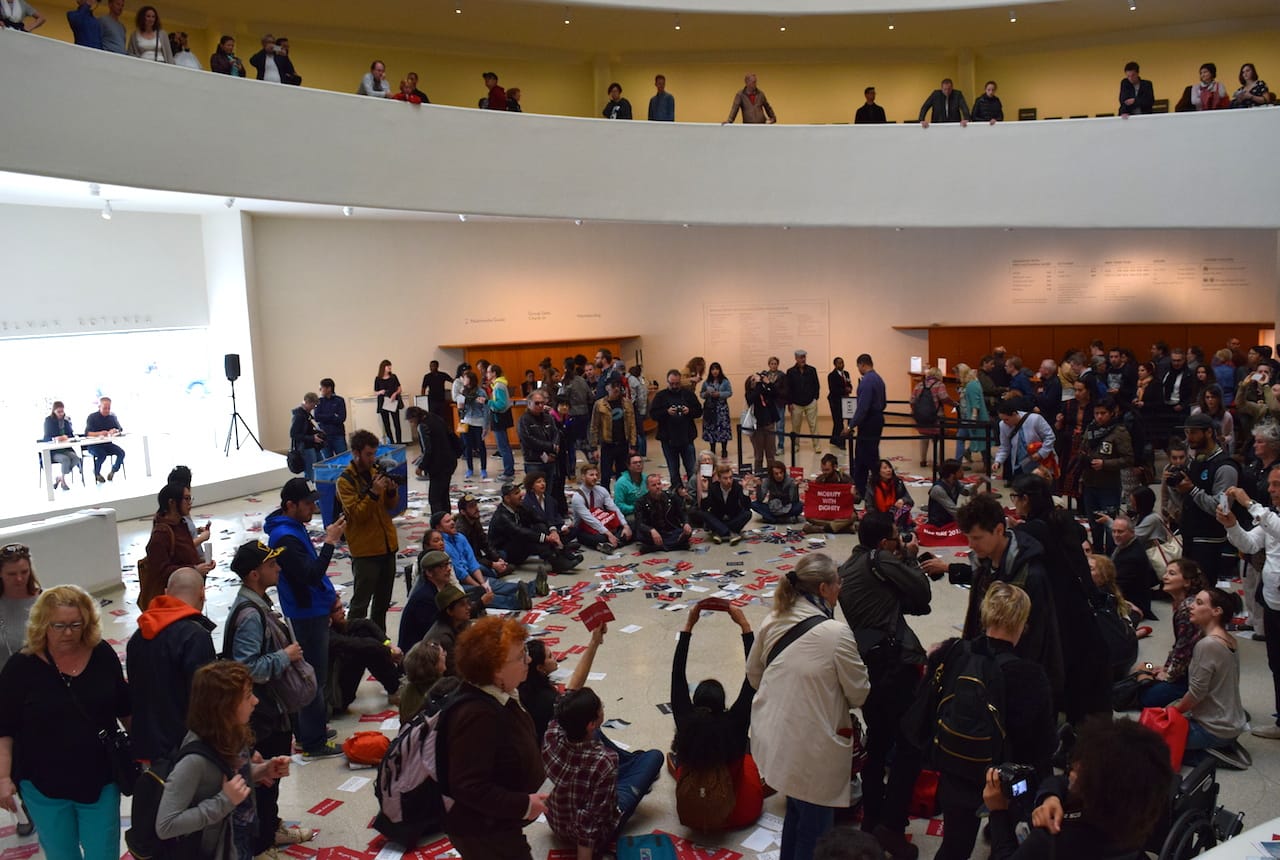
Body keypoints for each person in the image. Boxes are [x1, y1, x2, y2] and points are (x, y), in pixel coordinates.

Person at [746, 554, 869, 860]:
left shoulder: (772, 619)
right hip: (813, 750)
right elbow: (859, 694)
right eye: (838, 582)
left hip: (773, 740)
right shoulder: (836, 634)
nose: (842, 586)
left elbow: (753, 676)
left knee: (797, 813)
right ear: (825, 588)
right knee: (816, 829)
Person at [0, 586, 130, 860]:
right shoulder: (20, 667)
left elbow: (124, 708)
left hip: (100, 779)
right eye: (58, 625)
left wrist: (144, 752)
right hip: (43, 785)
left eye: (75, 625)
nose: (68, 633)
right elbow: (5, 729)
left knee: (102, 852)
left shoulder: (102, 654)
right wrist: (2, 777)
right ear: (42, 624)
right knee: (61, 854)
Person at [837, 513, 933, 852]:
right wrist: (908, 556)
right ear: (882, 543)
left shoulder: (846, 570)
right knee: (910, 744)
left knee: (878, 743)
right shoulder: (880, 560)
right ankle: (891, 824)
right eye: (895, 538)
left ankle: (872, 819)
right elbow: (922, 592)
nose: (898, 542)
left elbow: (910, 605)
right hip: (898, 666)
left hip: (869, 667)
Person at [222, 540, 324, 854]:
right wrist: (285, 655)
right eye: (271, 565)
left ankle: (271, 827)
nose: (278, 568)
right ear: (254, 574)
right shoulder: (251, 614)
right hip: (261, 715)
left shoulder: (257, 604)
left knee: (272, 779)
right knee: (265, 782)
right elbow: (246, 668)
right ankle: (263, 843)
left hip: (271, 710)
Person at [155, 661, 291, 859]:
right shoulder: (193, 761)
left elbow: (228, 778)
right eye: (247, 696)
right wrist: (225, 801)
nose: (255, 701)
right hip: (216, 848)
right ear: (224, 706)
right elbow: (166, 825)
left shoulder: (232, 733)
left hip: (239, 836)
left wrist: (263, 770)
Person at [984, 717, 1173, 860]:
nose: (1072, 770)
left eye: (1079, 771)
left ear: (1094, 791)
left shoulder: (1051, 841)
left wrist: (997, 811)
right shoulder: (1139, 814)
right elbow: (1059, 782)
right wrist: (1051, 797)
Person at [439, 617, 546, 858]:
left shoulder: (501, 694)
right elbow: (469, 786)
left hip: (500, 821)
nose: (528, 659)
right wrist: (524, 805)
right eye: (520, 656)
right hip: (483, 832)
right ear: (496, 669)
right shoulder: (477, 716)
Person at [951, 493, 1064, 701]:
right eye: (967, 537)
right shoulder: (983, 565)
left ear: (999, 530)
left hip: (1016, 678)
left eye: (976, 538)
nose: (970, 545)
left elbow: (1037, 638)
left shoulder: (1031, 575)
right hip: (986, 669)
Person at [265, 477, 346, 756]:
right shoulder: (285, 537)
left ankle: (311, 730)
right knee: (313, 678)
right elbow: (310, 575)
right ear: (290, 505)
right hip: (305, 614)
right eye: (308, 503)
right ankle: (313, 741)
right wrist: (330, 543)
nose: (313, 507)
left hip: (312, 609)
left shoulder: (292, 528)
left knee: (312, 675)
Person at [670, 602, 763, 830]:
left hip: (693, 803)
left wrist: (689, 626)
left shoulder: (686, 722)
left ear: (694, 703)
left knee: (681, 752)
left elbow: (677, 675)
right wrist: (744, 626)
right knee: (750, 750)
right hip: (739, 811)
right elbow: (752, 678)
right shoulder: (735, 722)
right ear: (723, 705)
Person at [543, 686, 664, 856]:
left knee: (599, 737)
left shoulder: (552, 732)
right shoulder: (604, 761)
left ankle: (631, 764)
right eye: (601, 708)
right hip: (590, 835)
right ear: (591, 723)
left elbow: (563, 702)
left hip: (557, 822)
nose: (602, 710)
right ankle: (632, 765)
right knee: (654, 756)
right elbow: (589, 825)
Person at [126, 568, 216, 762]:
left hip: (148, 747)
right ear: (202, 593)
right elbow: (206, 701)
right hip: (186, 750)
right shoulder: (195, 637)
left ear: (166, 592)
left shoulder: (138, 636)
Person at [1221, 480, 1280, 739]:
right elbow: (1250, 545)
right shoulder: (1270, 516)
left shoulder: (1268, 517)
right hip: (1272, 599)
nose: (1271, 489)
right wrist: (1232, 524)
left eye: (1277, 485)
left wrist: (1248, 503)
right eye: (1271, 485)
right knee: (1276, 663)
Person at [1170, 587, 1250, 767]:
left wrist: (1172, 712)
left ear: (1216, 611)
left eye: (1199, 603)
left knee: (1152, 743)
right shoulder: (1229, 639)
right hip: (1230, 722)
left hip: (1215, 728)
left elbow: (1197, 692)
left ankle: (1211, 755)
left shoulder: (1207, 645)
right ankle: (1222, 745)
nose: (1191, 606)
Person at [336, 430, 400, 631]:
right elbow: (357, 515)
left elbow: (389, 507)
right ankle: (354, 648)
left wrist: (390, 491)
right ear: (356, 453)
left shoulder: (375, 472)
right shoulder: (345, 481)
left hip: (387, 547)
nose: (373, 459)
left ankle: (380, 645)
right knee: (359, 606)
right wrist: (373, 492)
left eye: (375, 454)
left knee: (382, 605)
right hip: (365, 552)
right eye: (368, 454)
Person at [1173, 412, 1241, 583]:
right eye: (1187, 433)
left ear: (1209, 432)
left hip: (1208, 540)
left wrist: (1192, 490)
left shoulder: (1225, 467)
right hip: (1190, 535)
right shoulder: (1197, 460)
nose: (1189, 438)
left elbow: (1222, 508)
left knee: (1204, 591)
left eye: (1194, 432)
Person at [520, 622, 606, 744]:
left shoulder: (523, 686)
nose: (554, 656)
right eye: (549, 656)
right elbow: (572, 690)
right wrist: (594, 643)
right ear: (539, 668)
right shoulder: (547, 699)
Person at [436, 511, 529, 611]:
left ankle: (533, 588)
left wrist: (482, 583)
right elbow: (460, 573)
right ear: (439, 527)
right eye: (447, 521)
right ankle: (518, 602)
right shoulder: (444, 546)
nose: (452, 522)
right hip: (456, 582)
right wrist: (479, 587)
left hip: (471, 573)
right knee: (481, 594)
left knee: (494, 584)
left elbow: (472, 563)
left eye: (452, 520)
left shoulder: (460, 537)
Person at [142, 482, 215, 609]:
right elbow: (161, 571)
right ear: (172, 503)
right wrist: (194, 569)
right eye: (186, 499)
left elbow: (186, 553)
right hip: (174, 602)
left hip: (190, 594)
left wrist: (202, 563)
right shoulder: (161, 534)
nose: (190, 503)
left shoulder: (181, 524)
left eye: (190, 498)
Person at [488, 482, 581, 572]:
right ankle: (557, 561)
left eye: (519, 491)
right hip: (504, 553)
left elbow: (540, 518)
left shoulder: (519, 506)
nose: (521, 495)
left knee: (540, 526)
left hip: (517, 544)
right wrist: (546, 538)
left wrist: (553, 531)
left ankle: (561, 551)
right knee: (528, 539)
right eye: (516, 493)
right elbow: (520, 532)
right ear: (507, 498)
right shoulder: (502, 516)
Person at [1079, 396, 1133, 550]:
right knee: (1094, 525)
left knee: (1110, 527)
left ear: (1112, 413)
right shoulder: (1091, 429)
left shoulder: (1119, 432)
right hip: (1090, 482)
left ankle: (1111, 557)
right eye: (1096, 413)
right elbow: (1083, 448)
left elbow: (1128, 459)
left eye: (1103, 413)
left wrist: (1105, 464)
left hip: (1108, 485)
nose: (1099, 417)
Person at [650, 369, 702, 491]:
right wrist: (666, 412)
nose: (674, 386)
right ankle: (677, 494)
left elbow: (699, 411)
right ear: (667, 382)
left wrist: (689, 411)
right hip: (668, 439)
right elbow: (653, 414)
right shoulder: (660, 396)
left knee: (691, 468)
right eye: (671, 383)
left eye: (677, 384)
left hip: (687, 438)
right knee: (673, 469)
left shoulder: (688, 394)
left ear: (680, 382)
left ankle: (693, 492)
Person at [844, 354, 887, 492]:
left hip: (869, 421)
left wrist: (851, 426)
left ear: (862, 365)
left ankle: (875, 487)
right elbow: (884, 402)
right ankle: (861, 487)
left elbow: (863, 407)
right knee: (863, 456)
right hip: (877, 419)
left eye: (858, 366)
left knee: (868, 456)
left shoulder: (867, 381)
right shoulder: (879, 379)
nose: (858, 369)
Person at [406, 406, 459, 515]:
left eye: (411, 421)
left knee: (434, 498)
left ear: (415, 417)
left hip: (438, 465)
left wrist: (421, 466)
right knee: (444, 495)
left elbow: (428, 450)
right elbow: (447, 436)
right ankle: (447, 520)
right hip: (450, 460)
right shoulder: (434, 417)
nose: (411, 424)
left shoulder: (422, 426)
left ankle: (439, 524)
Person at [569, 463, 633, 552]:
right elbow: (589, 519)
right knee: (599, 538)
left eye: (596, 475)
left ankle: (611, 544)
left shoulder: (601, 490)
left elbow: (614, 508)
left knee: (630, 524)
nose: (595, 477)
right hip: (585, 527)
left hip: (604, 521)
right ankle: (616, 542)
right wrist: (608, 534)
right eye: (591, 475)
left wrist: (625, 525)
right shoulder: (577, 497)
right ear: (583, 477)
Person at [992, 400, 1056, 482]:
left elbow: (1050, 437)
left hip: (1041, 460)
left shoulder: (1035, 419)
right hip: (1021, 463)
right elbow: (1005, 446)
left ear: (1014, 414)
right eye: (1002, 420)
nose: (1004, 422)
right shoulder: (1003, 425)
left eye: (1006, 419)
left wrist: (1041, 453)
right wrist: (998, 461)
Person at [590, 373, 636, 488]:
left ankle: (621, 499)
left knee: (623, 475)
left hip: (623, 443)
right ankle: (605, 501)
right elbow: (594, 426)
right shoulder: (599, 404)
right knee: (605, 476)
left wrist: (633, 445)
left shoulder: (626, 403)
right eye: (613, 386)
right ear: (607, 388)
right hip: (607, 444)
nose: (616, 389)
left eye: (618, 386)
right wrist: (594, 447)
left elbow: (632, 425)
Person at [454, 493, 512, 579]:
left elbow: (485, 544)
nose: (476, 508)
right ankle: (495, 572)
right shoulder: (461, 530)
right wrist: (492, 564)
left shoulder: (475, 520)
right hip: (469, 562)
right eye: (471, 507)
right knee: (485, 570)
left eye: (475, 505)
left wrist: (497, 559)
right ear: (463, 512)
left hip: (478, 557)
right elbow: (470, 557)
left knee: (502, 554)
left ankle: (498, 569)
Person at [635, 473, 692, 552]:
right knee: (641, 536)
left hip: (671, 531)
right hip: (653, 532)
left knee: (687, 532)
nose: (657, 487)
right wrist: (651, 530)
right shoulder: (641, 502)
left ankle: (659, 547)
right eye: (653, 485)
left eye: (659, 484)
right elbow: (639, 522)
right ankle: (676, 545)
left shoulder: (671, 497)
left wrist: (686, 523)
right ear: (648, 487)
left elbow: (682, 513)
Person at [911, 366, 954, 469]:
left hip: (922, 418)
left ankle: (923, 460)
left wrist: (916, 412)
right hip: (936, 417)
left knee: (924, 437)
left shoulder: (919, 385)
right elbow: (943, 397)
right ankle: (938, 462)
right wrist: (953, 403)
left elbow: (912, 400)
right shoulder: (939, 385)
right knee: (938, 439)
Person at [699, 463, 752, 544]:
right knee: (702, 513)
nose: (729, 481)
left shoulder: (737, 486)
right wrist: (705, 491)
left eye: (731, 478)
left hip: (733, 518)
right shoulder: (713, 487)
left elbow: (747, 507)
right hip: (718, 518)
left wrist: (745, 489)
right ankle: (730, 533)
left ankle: (720, 532)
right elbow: (704, 508)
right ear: (719, 479)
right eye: (725, 478)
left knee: (748, 513)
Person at [804, 454, 857, 534]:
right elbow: (816, 500)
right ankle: (843, 528)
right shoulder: (820, 479)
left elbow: (858, 499)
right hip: (826, 511)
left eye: (827, 470)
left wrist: (853, 495)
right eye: (823, 470)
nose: (824, 472)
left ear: (835, 467)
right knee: (808, 515)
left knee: (852, 516)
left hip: (841, 511)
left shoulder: (846, 479)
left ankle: (821, 529)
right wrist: (808, 491)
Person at [745, 366, 784, 473]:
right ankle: (758, 475)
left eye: (756, 379)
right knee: (759, 455)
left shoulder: (765, 390)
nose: (756, 381)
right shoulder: (750, 394)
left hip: (769, 424)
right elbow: (754, 397)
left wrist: (768, 383)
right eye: (753, 380)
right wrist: (758, 383)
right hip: (757, 427)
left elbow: (776, 394)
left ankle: (772, 474)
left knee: (770, 454)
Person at [396, 639, 445, 721]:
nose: (445, 654)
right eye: (442, 654)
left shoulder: (407, 692)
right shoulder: (441, 690)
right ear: (434, 666)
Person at [786, 349, 822, 453]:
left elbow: (817, 385)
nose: (803, 359)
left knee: (813, 425)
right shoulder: (790, 372)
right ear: (796, 358)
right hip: (796, 404)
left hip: (810, 402)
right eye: (800, 357)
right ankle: (796, 445)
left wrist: (815, 398)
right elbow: (788, 388)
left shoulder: (812, 370)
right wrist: (790, 403)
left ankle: (817, 446)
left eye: (804, 357)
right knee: (796, 426)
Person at [485, 364, 517, 480]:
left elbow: (501, 404)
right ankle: (509, 470)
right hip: (501, 418)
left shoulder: (498, 386)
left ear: (494, 373)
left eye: (488, 372)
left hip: (500, 418)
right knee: (504, 446)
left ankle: (508, 472)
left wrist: (487, 402)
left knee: (503, 446)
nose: (486, 374)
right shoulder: (498, 384)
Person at [864, 459, 913, 533]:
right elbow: (869, 507)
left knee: (905, 507)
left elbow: (910, 501)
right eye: (885, 468)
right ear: (878, 471)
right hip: (878, 516)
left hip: (894, 514)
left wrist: (903, 500)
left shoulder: (898, 483)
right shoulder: (872, 485)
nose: (889, 470)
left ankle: (899, 528)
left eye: (890, 467)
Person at [456, 370, 489, 479]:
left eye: (465, 378)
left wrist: (485, 425)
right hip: (466, 421)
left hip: (478, 422)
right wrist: (460, 406)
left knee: (480, 446)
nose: (463, 380)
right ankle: (470, 469)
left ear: (470, 379)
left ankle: (483, 469)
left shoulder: (480, 392)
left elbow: (485, 409)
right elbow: (460, 407)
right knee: (467, 446)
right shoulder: (463, 391)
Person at [84, 395, 125, 483]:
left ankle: (114, 470)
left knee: (121, 453)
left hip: (107, 444)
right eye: (104, 408)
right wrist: (99, 433)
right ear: (99, 407)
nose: (107, 410)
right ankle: (97, 473)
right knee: (102, 454)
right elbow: (87, 433)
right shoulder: (92, 417)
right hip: (94, 445)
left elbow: (120, 429)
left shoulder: (112, 417)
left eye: (109, 408)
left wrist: (115, 430)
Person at [40, 401, 77, 491]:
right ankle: (63, 481)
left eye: (62, 411)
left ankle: (60, 477)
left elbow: (71, 434)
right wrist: (56, 438)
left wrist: (66, 437)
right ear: (54, 411)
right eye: (58, 412)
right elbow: (46, 437)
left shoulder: (66, 421)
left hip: (65, 448)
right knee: (65, 460)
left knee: (76, 459)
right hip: (54, 451)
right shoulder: (48, 421)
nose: (61, 414)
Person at [288, 392, 325, 481]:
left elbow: (308, 429)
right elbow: (293, 434)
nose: (314, 408)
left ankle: (319, 487)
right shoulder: (299, 416)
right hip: (306, 448)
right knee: (310, 472)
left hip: (313, 446)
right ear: (307, 402)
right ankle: (310, 490)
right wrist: (312, 438)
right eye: (313, 405)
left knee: (321, 467)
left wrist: (317, 432)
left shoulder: (307, 414)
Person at [700, 362, 733, 460]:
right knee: (711, 428)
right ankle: (712, 449)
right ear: (710, 371)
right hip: (710, 409)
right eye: (713, 369)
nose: (715, 371)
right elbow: (701, 394)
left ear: (720, 370)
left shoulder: (725, 381)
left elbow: (730, 392)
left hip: (721, 409)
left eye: (717, 369)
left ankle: (724, 449)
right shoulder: (706, 382)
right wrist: (706, 393)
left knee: (723, 429)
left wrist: (719, 394)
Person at [927, 460, 970, 526]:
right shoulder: (938, 489)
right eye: (960, 471)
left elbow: (967, 493)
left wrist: (978, 484)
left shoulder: (955, 483)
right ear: (952, 474)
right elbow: (953, 510)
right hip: (939, 524)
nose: (963, 473)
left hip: (950, 520)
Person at [314, 378, 347, 458]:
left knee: (343, 459)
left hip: (338, 435)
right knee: (327, 461)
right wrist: (332, 415)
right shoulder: (318, 401)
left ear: (329, 388)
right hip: (324, 436)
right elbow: (317, 417)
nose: (320, 390)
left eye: (321, 388)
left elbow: (342, 418)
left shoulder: (339, 400)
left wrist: (325, 417)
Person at [374, 359, 404, 444]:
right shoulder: (378, 379)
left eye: (390, 366)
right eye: (388, 366)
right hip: (383, 402)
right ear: (383, 367)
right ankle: (391, 442)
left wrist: (395, 394)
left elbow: (399, 388)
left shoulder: (393, 377)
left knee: (397, 423)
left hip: (393, 401)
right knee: (386, 424)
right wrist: (380, 392)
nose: (390, 367)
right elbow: (375, 391)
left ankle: (399, 442)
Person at [612, 453, 646, 525]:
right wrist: (635, 508)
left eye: (640, 462)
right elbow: (619, 505)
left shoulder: (645, 478)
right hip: (630, 513)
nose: (638, 464)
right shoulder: (621, 483)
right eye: (635, 463)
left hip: (645, 509)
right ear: (628, 466)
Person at [826, 357, 852, 446]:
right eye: (839, 363)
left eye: (842, 362)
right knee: (838, 421)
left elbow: (849, 384)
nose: (841, 364)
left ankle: (834, 440)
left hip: (846, 400)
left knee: (846, 420)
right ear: (835, 365)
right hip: (835, 401)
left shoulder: (846, 373)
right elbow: (833, 389)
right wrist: (845, 390)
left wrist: (850, 388)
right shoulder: (831, 375)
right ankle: (841, 442)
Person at [420, 359, 455, 424]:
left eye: (433, 366)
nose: (431, 368)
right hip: (432, 400)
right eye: (430, 366)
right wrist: (423, 399)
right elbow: (423, 388)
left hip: (441, 400)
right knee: (432, 417)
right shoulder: (427, 376)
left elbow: (452, 381)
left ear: (437, 366)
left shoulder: (442, 375)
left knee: (442, 418)